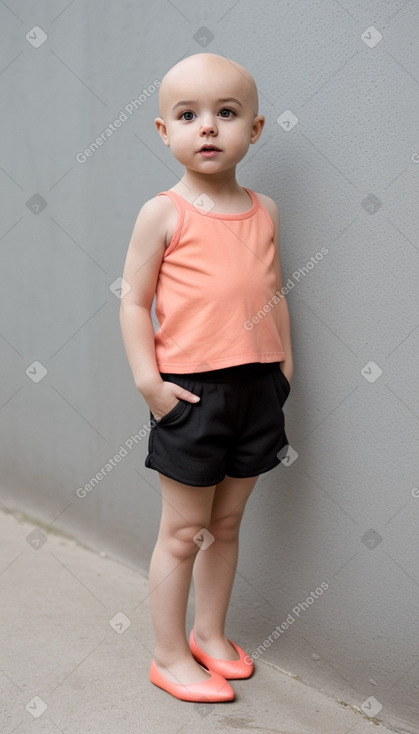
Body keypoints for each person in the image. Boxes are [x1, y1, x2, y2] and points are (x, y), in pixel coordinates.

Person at [119, 52, 293, 703]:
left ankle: (209, 634)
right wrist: (149, 384)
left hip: (257, 390)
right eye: (189, 115)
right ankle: (168, 655)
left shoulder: (265, 209)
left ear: (255, 126)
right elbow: (133, 302)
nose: (209, 128)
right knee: (184, 530)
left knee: (225, 526)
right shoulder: (162, 213)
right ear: (165, 132)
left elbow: (272, 292)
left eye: (226, 113)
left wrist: (284, 367)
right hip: (191, 394)